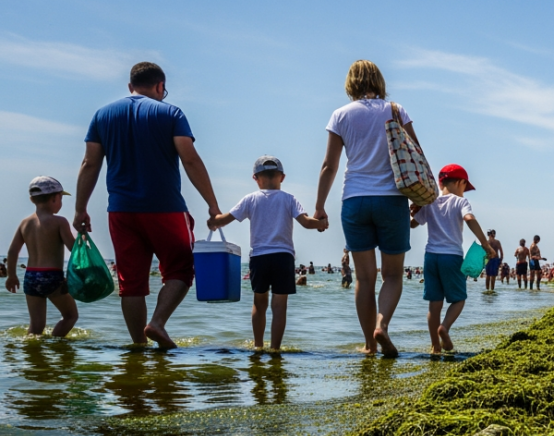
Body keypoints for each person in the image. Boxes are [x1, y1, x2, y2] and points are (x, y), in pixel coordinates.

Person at [74, 61, 221, 349]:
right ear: (160, 86)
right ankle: (157, 323)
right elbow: (190, 159)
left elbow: (90, 163)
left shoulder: (102, 115)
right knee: (181, 270)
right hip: (166, 208)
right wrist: (212, 204)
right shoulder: (171, 113)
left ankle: (139, 349)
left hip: (121, 211)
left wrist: (80, 208)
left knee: (131, 282)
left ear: (130, 86)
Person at [314, 60, 418, 357]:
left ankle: (369, 346)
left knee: (363, 278)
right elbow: (416, 156)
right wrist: (421, 199)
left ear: (351, 83)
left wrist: (319, 206)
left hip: (355, 200)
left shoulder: (340, 115)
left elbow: (329, 165)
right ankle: (381, 326)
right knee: (393, 275)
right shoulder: (396, 110)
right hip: (391, 199)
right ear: (379, 81)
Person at [209, 156, 325, 351]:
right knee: (279, 307)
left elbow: (225, 219)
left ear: (255, 178)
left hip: (259, 257)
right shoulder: (289, 199)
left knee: (259, 303)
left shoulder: (250, 199)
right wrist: (321, 223)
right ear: (282, 177)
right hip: (283, 256)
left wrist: (214, 221)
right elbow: (306, 222)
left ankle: (258, 346)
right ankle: (275, 349)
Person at [411, 164, 493, 355]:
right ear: (459, 182)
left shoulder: (430, 202)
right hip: (451, 256)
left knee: (434, 303)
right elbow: (469, 219)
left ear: (441, 183)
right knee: (459, 299)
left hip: (430, 257)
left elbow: (413, 224)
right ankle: (444, 327)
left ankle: (435, 347)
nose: (464, 191)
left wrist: (413, 210)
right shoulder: (460, 202)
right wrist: (485, 244)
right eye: (465, 187)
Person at [6, 177, 78, 337]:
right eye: (61, 198)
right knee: (70, 316)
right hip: (52, 276)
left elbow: (12, 251)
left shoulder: (25, 223)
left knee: (36, 325)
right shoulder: (59, 222)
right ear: (54, 198)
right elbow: (74, 250)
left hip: (31, 277)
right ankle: (55, 343)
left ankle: (32, 350)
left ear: (32, 199)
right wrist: (83, 239)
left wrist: (12, 276)